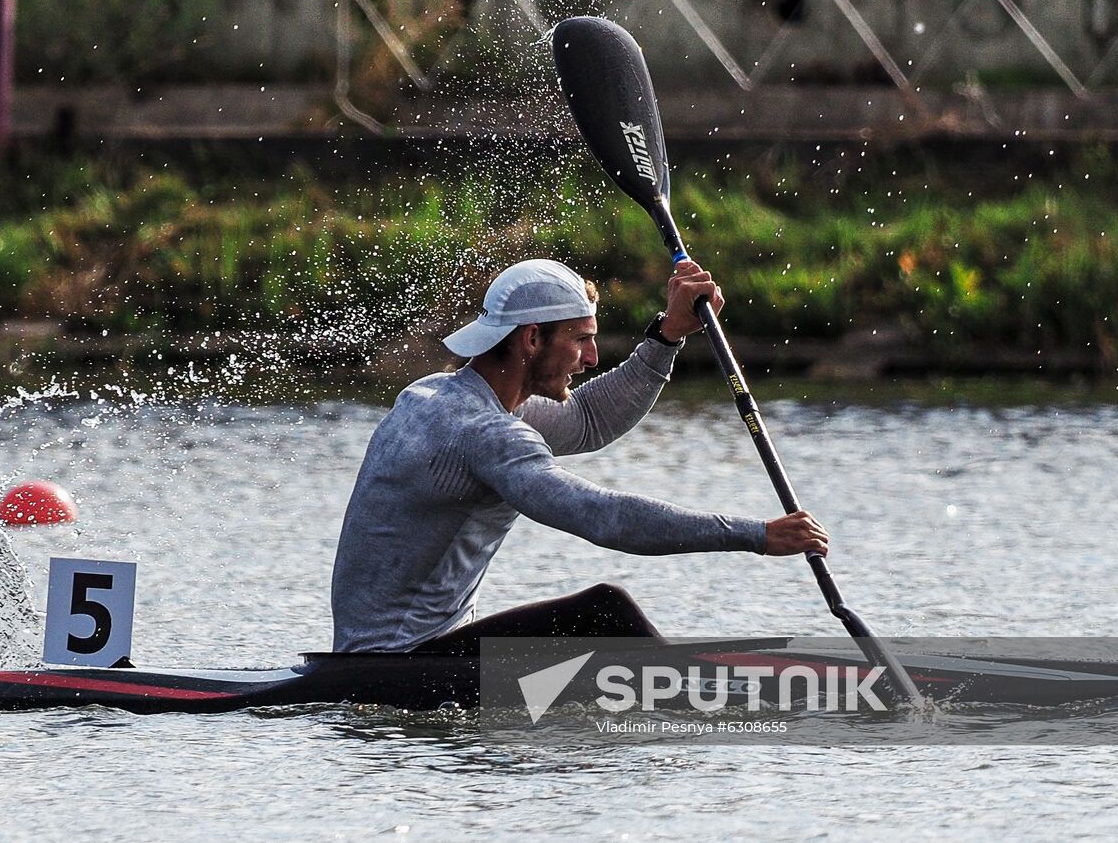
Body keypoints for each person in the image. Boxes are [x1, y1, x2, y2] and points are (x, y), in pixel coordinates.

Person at [330, 258, 828, 652]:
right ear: (531, 338)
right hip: (402, 663)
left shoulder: (435, 395)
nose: (591, 359)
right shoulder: (484, 434)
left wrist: (668, 334)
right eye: (581, 340)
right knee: (604, 613)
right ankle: (700, 707)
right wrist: (756, 535)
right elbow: (604, 518)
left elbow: (590, 420)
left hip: (392, 653)